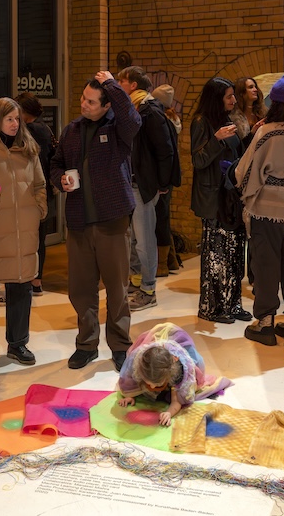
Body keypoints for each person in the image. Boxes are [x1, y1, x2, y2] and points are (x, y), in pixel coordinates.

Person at [50, 70, 141, 372]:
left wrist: (112, 85)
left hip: (112, 221)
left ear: (107, 104)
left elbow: (133, 118)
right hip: (79, 222)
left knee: (117, 290)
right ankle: (86, 345)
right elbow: (56, 163)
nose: (84, 104)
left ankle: (120, 345)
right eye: (83, 98)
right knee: (81, 289)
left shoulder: (119, 129)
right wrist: (60, 180)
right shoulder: (72, 130)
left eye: (91, 101)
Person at [0, 97, 47, 371]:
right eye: (9, 119)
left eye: (17, 119)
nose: (15, 124)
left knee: (22, 288)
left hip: (24, 231)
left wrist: (39, 208)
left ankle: (18, 344)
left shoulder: (28, 148)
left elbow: (39, 183)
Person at [232, 75, 284, 346]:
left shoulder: (268, 131)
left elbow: (245, 172)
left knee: (266, 264)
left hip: (267, 208)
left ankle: (265, 322)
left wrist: (245, 194)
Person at [190, 77, 252, 324]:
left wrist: (253, 136)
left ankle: (232, 304)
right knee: (216, 256)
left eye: (233, 95)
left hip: (231, 197)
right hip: (213, 199)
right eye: (228, 96)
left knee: (234, 253)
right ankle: (212, 308)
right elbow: (198, 160)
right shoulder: (201, 122)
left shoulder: (228, 120)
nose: (233, 100)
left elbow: (237, 153)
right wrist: (215, 140)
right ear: (216, 99)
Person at [115, 66, 175, 311]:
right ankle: (137, 281)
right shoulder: (132, 108)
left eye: (121, 81)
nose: (118, 85)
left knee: (144, 239)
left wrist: (162, 183)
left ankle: (148, 290)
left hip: (144, 184)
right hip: (129, 182)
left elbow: (165, 150)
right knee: (132, 238)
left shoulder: (149, 110)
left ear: (132, 84)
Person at [116, 322, 233, 426]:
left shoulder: (178, 372)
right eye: (148, 383)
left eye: (156, 384)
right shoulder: (138, 361)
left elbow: (176, 402)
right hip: (157, 353)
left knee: (167, 397)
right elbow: (129, 379)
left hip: (184, 354)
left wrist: (169, 413)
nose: (151, 387)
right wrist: (130, 395)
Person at [15, 92, 56, 297]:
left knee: (31, 237)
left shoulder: (29, 131)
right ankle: (36, 281)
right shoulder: (45, 129)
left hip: (31, 191)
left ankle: (30, 280)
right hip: (44, 191)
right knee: (39, 237)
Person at [151, 84, 183, 276]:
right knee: (163, 217)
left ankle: (162, 264)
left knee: (160, 218)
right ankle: (171, 260)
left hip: (162, 177)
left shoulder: (162, 122)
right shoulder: (172, 120)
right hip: (168, 177)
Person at [230, 77, 266, 142]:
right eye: (251, 87)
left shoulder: (262, 111)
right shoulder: (234, 117)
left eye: (255, 87)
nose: (255, 90)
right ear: (241, 93)